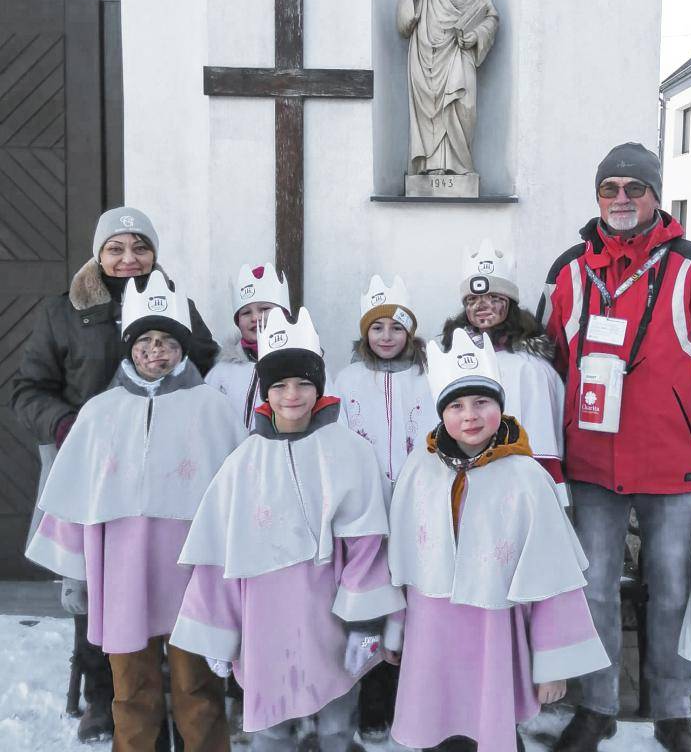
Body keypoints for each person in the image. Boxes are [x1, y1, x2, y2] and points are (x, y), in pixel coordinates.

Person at [537, 142, 691, 752]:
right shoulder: (570, 269)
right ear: (598, 198)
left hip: (672, 465)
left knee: (673, 590)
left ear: (656, 195)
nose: (622, 200)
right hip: (590, 465)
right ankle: (597, 705)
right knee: (593, 589)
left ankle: (672, 709)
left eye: (635, 188)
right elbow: (544, 368)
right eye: (610, 189)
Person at [12, 205, 219, 742]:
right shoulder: (64, 313)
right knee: (98, 586)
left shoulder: (179, 306)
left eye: (140, 248)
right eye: (116, 248)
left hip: (168, 472)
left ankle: (183, 699)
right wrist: (68, 425)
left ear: (154, 254)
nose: (129, 259)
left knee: (170, 586)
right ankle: (104, 697)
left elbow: (205, 363)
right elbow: (27, 389)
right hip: (90, 464)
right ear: (98, 254)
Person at [170, 306, 405, 752]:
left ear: (319, 387)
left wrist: (365, 623)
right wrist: (219, 630)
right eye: (279, 385)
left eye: (303, 383)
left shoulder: (351, 452)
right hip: (264, 621)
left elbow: (368, 545)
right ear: (266, 393)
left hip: (331, 616)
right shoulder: (242, 464)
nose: (292, 395)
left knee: (337, 721)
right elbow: (216, 556)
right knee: (269, 728)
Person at [385, 329, 608, 752]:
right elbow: (402, 564)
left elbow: (552, 580)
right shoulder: (421, 469)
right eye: (456, 405)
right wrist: (395, 630)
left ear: (500, 408)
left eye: (481, 402)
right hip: (431, 627)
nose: (469, 415)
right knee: (435, 722)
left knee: (491, 724)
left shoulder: (526, 478)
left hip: (494, 628)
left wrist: (552, 664)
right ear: (441, 413)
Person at [335, 274, 438, 744]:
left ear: (410, 333)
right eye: (377, 329)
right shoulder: (349, 378)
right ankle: (373, 700)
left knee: (416, 610)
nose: (387, 337)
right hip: (367, 514)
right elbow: (336, 439)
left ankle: (414, 701)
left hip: (418, 510)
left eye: (396, 328)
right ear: (365, 334)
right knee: (373, 608)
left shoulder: (429, 375)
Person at [442, 238, 566, 498]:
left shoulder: (530, 369)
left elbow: (542, 443)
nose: (483, 306)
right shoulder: (452, 359)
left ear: (509, 303)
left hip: (517, 490)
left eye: (494, 297)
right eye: (473, 299)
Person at [397, 0, 499, 176]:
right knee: (430, 112)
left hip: (460, 52)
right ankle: (431, 168)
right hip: (427, 56)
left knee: (463, 106)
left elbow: (491, 17)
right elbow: (404, 24)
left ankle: (458, 166)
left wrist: (475, 36)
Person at [205, 262, 291, 430]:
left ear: (284, 314)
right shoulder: (222, 373)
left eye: (264, 308)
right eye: (246, 313)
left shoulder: (303, 366)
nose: (255, 317)